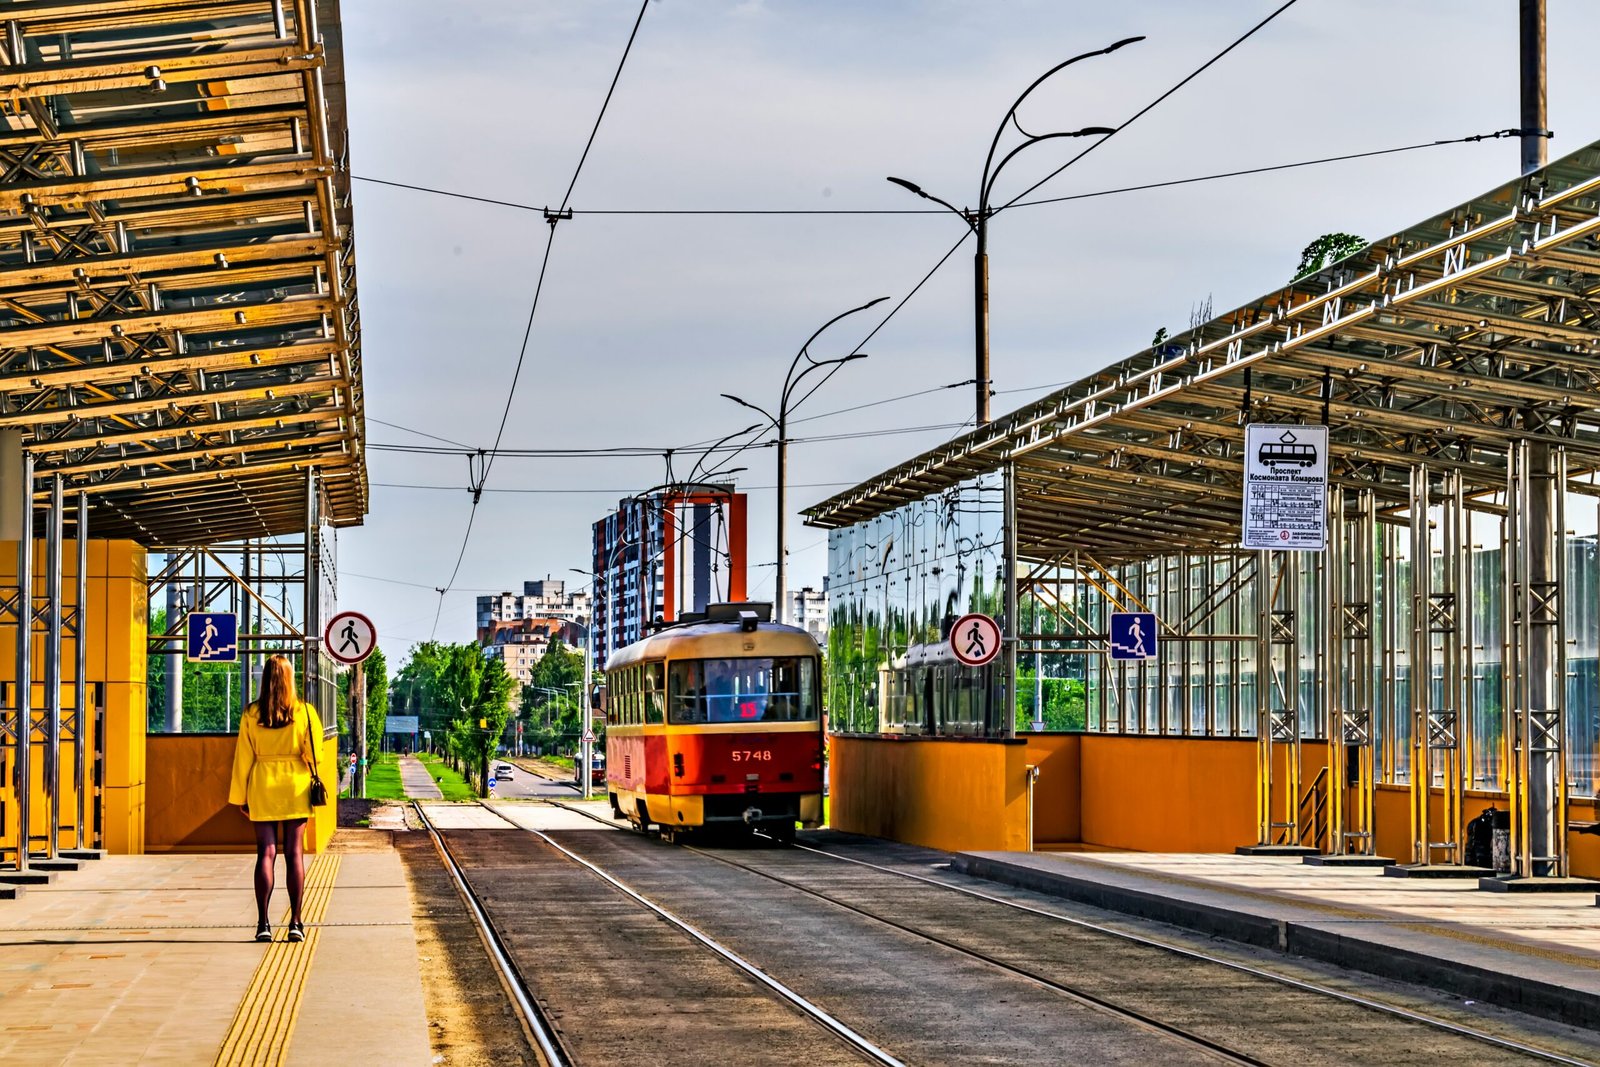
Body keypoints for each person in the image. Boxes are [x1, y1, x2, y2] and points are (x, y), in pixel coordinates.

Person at [228, 654, 324, 944]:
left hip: (263, 784)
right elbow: (314, 755)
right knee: (294, 853)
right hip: (295, 784)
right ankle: (296, 922)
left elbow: (243, 759)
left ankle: (263, 923)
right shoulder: (304, 712)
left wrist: (240, 796)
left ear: (264, 679)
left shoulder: (251, 713)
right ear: (289, 679)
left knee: (265, 853)